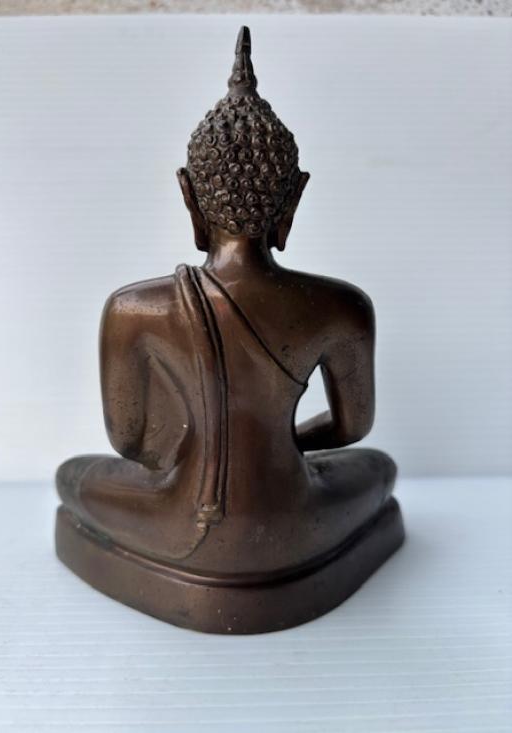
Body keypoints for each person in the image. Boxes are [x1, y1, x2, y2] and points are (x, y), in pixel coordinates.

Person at [56, 27, 404, 632]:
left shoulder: (134, 310)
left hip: (179, 520)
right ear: (293, 202)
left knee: (71, 478)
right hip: (293, 521)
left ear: (189, 198)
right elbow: (352, 429)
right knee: (379, 468)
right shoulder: (342, 308)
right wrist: (275, 447)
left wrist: (196, 448)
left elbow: (131, 444)